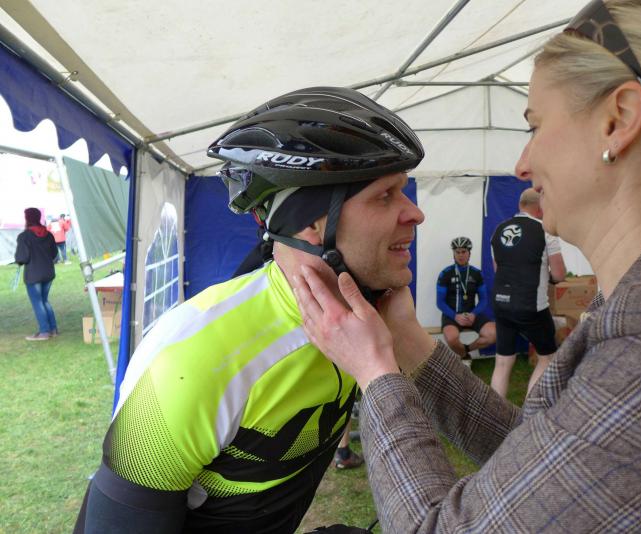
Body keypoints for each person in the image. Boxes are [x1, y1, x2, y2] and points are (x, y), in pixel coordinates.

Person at [293, 0, 641, 531]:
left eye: (534, 127)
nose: (522, 164)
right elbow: (549, 469)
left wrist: (376, 375)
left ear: (619, 120)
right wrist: (409, 343)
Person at [74, 87, 425, 533]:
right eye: (386, 195)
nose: (415, 214)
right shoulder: (198, 359)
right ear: (311, 223)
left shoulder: (367, 324)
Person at [489, 188, 565, 397]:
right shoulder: (545, 231)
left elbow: (498, 270)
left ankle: (495, 413)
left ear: (520, 205)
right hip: (532, 306)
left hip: (501, 303)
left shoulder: (499, 230)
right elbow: (559, 274)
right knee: (546, 357)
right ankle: (530, 410)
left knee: (503, 361)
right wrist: (547, 277)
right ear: (540, 207)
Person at [435, 236, 495, 361]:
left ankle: (465, 350)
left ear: (469, 253)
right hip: (451, 314)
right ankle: (465, 357)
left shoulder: (477, 273)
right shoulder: (445, 274)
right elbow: (440, 302)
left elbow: (484, 300)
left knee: (493, 334)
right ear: (453, 253)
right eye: (457, 252)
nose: (460, 255)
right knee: (451, 338)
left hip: (472, 313)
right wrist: (455, 316)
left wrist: (473, 314)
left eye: (464, 252)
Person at [15, 207, 58, 341]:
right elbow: (54, 254)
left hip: (34, 275)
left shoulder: (24, 236)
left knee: (38, 303)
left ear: (27, 218)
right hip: (48, 273)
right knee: (44, 301)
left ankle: (44, 332)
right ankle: (53, 329)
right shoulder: (48, 234)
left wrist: (19, 261)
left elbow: (22, 258)